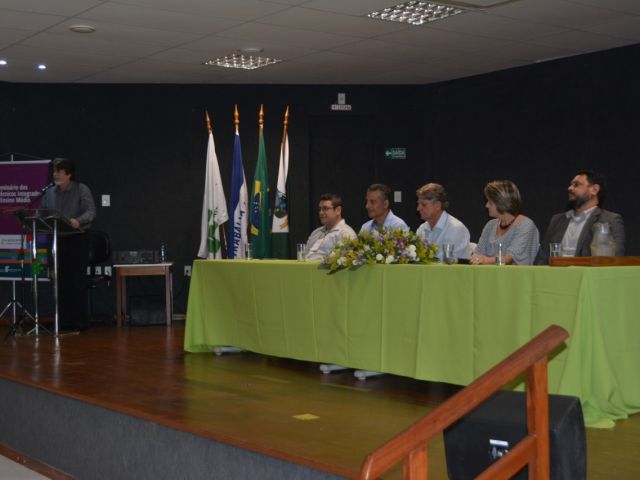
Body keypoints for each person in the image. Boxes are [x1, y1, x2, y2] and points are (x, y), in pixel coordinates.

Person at [41, 158, 96, 331]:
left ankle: (79, 322)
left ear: (69, 174)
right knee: (59, 281)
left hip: (76, 240)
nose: (55, 174)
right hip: (56, 240)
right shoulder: (49, 193)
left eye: (59, 171)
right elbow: (43, 212)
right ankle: (62, 322)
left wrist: (78, 221)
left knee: (75, 281)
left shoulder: (81, 189)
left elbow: (91, 212)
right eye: (54, 171)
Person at [534, 170, 625, 264]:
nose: (570, 188)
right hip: (555, 276)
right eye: (571, 185)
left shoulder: (610, 220)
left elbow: (615, 260)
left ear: (594, 189)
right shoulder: (557, 220)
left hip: (587, 276)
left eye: (576, 185)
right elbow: (542, 258)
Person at [470, 180, 539, 265]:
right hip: (490, 276)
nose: (486, 205)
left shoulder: (525, 225)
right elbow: (478, 254)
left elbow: (509, 258)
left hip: (516, 277)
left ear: (501, 203)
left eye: (490, 202)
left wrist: (485, 260)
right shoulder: (490, 225)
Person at [415, 183, 471, 260]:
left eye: (424, 205)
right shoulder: (422, 229)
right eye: (418, 204)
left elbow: (448, 262)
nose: (418, 208)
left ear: (438, 205)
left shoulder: (456, 229)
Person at [303, 193, 357, 260]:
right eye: (320, 209)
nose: (321, 213)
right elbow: (303, 256)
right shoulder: (316, 232)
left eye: (325, 208)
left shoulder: (346, 234)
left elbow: (335, 261)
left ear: (338, 210)